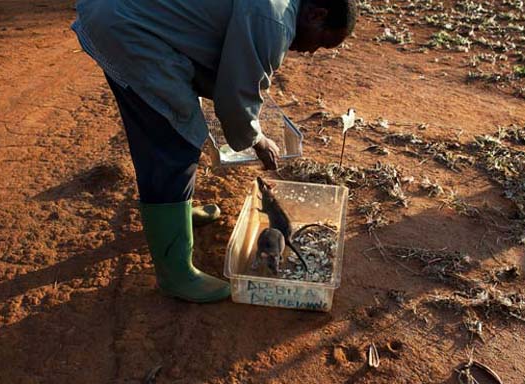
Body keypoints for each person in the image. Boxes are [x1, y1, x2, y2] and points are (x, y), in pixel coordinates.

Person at [71, 0, 357, 303]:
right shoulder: (275, 21)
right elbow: (237, 98)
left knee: (171, 124)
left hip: (119, 15)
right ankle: (175, 272)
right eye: (322, 42)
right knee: (173, 143)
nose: (312, 52)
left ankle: (177, 213)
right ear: (316, 14)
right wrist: (257, 140)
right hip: (127, 29)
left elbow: (223, 69)